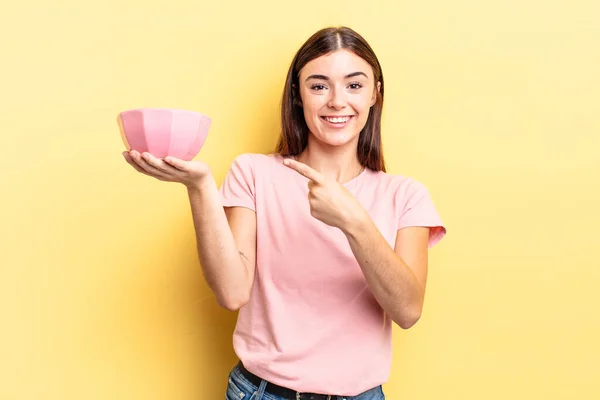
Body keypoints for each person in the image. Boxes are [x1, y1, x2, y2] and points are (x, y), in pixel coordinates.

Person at [123, 26, 446, 400]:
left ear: (376, 93)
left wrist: (353, 221)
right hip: (260, 393)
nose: (337, 101)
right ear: (298, 95)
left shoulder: (405, 196)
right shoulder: (254, 173)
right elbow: (231, 293)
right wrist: (199, 188)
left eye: (354, 85)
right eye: (319, 85)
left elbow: (407, 311)